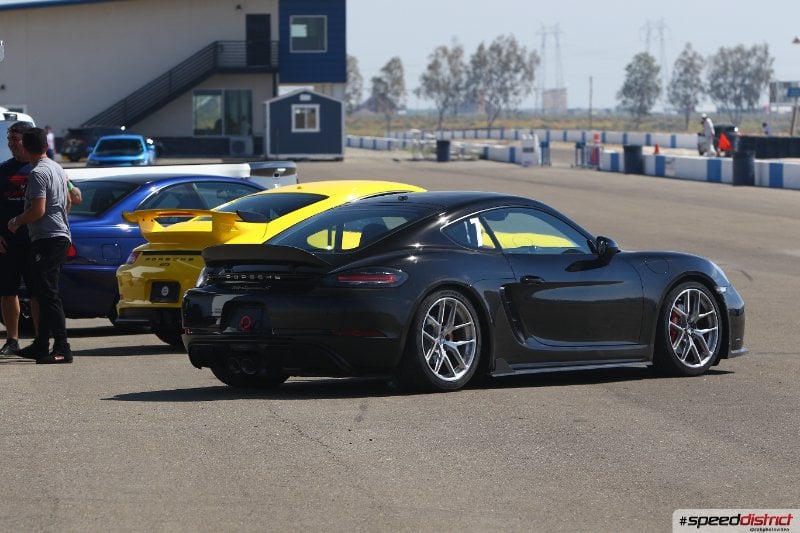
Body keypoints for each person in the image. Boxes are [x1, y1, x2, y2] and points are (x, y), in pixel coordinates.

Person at [8, 127, 73, 363]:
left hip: (48, 239)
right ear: (46, 145)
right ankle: (41, 344)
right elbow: (69, 200)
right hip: (57, 236)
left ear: (25, 148)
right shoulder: (57, 168)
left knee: (49, 295)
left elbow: (38, 210)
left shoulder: (38, 173)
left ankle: (62, 348)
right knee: (44, 294)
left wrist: (16, 221)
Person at [0, 122, 39, 355]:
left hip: (35, 241)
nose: (11, 144)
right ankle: (12, 340)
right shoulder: (3, 170)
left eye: (15, 140)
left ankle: (41, 339)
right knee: (7, 291)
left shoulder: (39, 168)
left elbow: (70, 195)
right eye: (9, 140)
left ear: (27, 141)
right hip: (8, 243)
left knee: (37, 293)